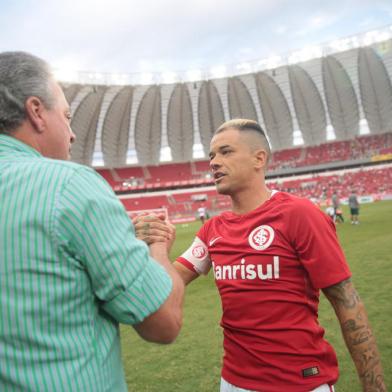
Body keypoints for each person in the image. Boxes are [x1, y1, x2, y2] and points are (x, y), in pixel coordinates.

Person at [134, 119, 385, 392]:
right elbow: (169, 286)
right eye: (212, 155)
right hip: (232, 382)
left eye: (226, 152)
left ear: (259, 158)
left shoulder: (299, 214)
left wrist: (375, 387)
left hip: (298, 382)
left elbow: (347, 303)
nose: (214, 162)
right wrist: (156, 248)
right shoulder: (212, 230)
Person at [0, 51, 184, 392]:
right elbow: (164, 323)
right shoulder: (69, 185)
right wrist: (158, 247)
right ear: (36, 112)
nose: (71, 134)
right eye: (67, 116)